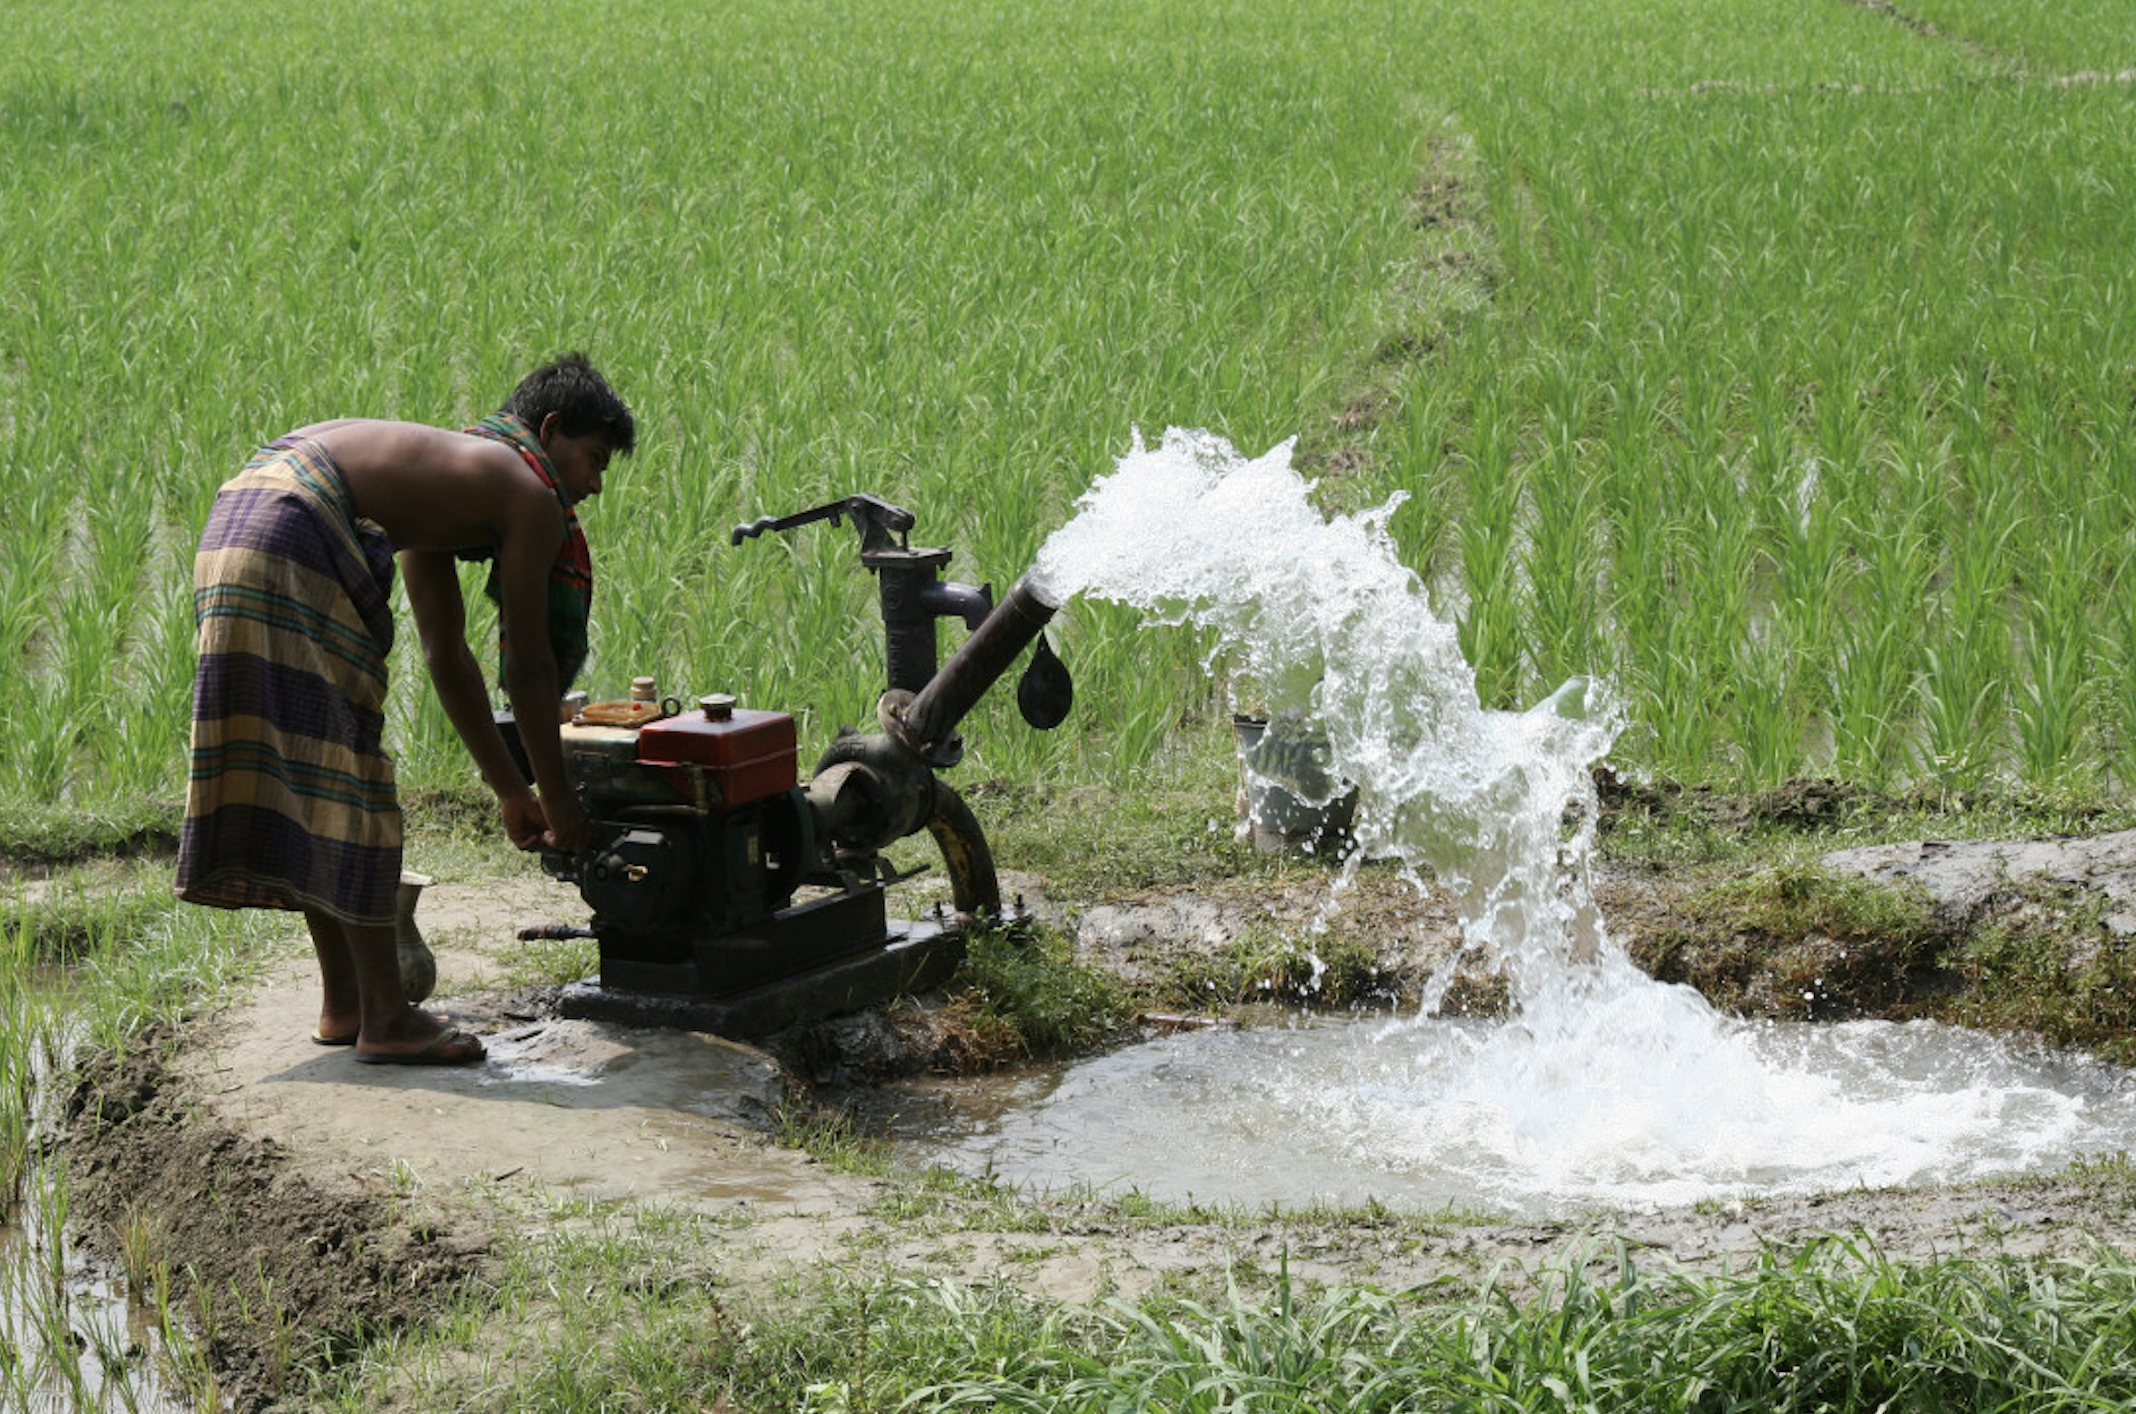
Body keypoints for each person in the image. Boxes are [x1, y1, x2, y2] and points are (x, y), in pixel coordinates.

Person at [175, 353, 635, 1065]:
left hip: (240, 515)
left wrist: (513, 791)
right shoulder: (526, 491)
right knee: (352, 774)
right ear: (550, 430)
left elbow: (447, 656)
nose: (594, 485)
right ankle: (387, 1018)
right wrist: (560, 798)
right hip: (295, 521)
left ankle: (347, 1003)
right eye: (594, 459)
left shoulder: (450, 478)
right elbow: (530, 667)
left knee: (314, 776)